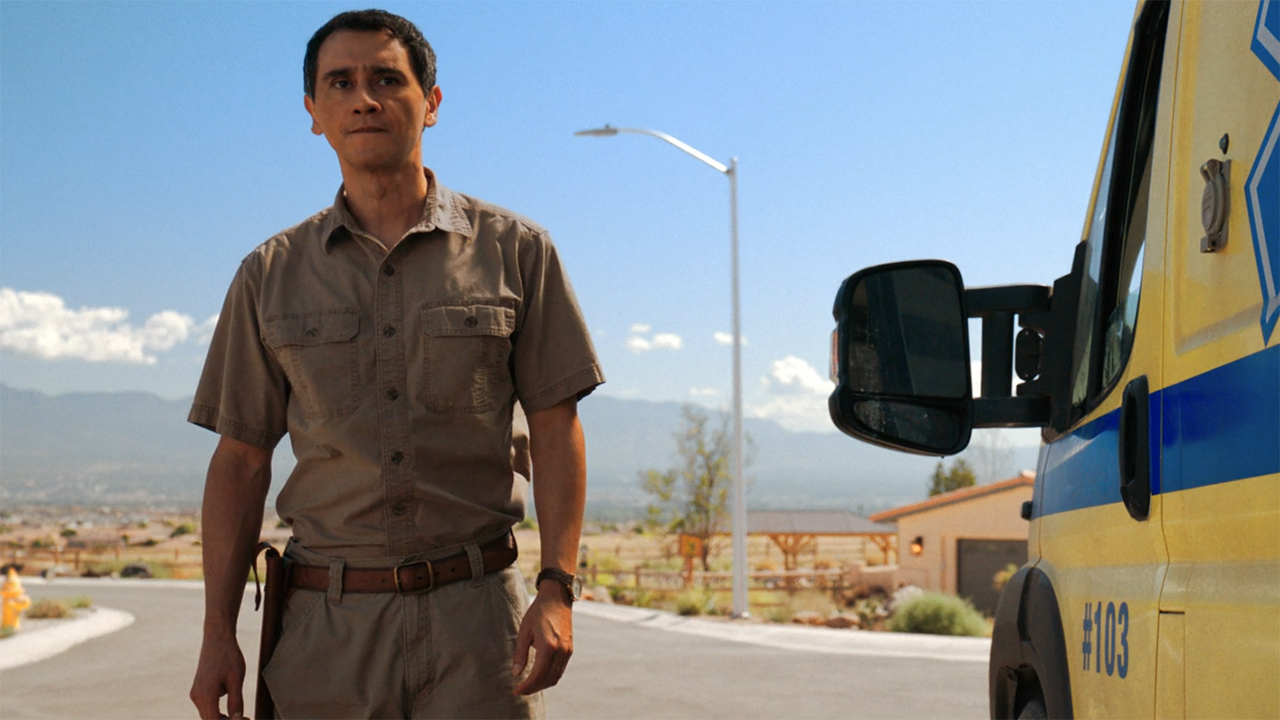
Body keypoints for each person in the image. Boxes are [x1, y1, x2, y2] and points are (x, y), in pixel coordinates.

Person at [187, 9, 603, 719]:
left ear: (431, 104)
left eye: (387, 79)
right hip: (326, 633)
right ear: (315, 113)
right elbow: (241, 461)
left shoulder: (517, 252)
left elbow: (555, 424)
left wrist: (557, 587)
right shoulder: (269, 274)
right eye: (340, 83)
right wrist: (217, 632)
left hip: (477, 629)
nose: (364, 98)